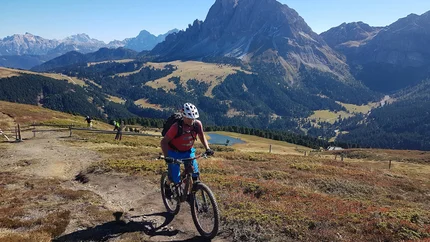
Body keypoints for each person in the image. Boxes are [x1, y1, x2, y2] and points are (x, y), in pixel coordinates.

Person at [161, 103, 214, 187]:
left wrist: (207, 148)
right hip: (174, 153)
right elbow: (164, 142)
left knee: (195, 174)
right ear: (184, 116)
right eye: (189, 118)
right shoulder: (176, 127)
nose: (192, 121)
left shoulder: (197, 124)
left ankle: (191, 195)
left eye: (193, 118)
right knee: (175, 179)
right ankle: (167, 185)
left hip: (188, 152)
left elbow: (201, 136)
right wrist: (167, 157)